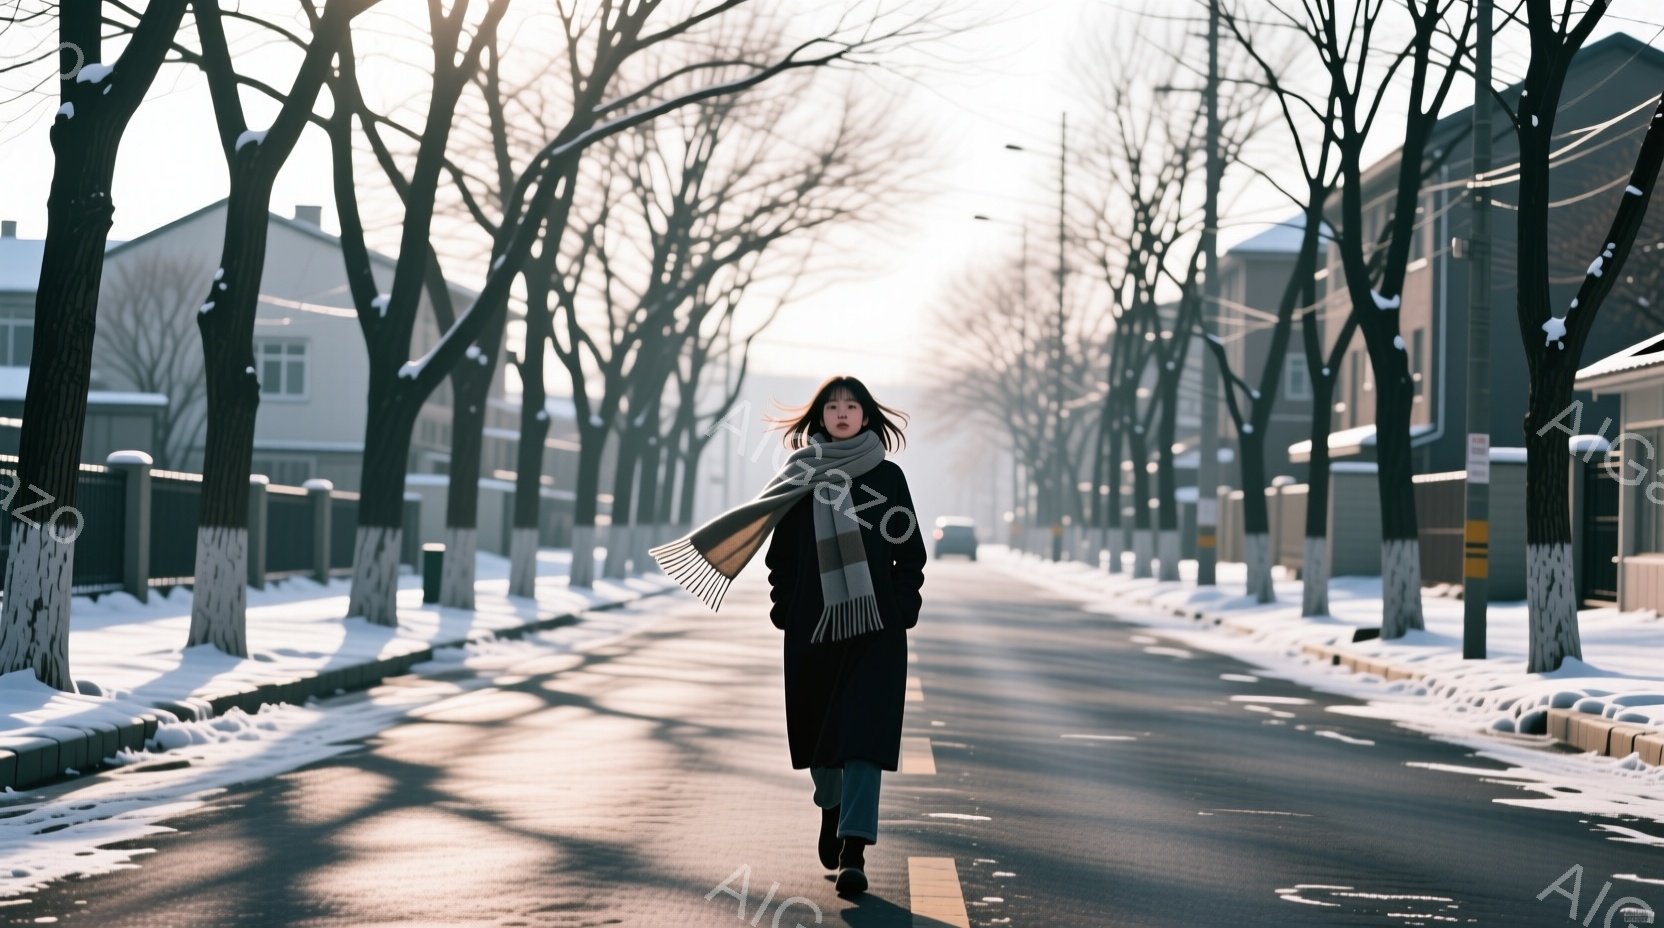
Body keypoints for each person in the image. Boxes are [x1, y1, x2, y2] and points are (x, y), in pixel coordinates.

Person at [648, 375, 926, 898]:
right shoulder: (799, 476)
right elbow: (781, 558)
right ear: (818, 416)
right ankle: (832, 805)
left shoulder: (887, 480)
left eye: (852, 406)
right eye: (832, 406)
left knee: (865, 738)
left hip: (877, 632)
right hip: (813, 629)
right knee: (822, 738)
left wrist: (902, 607)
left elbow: (909, 551)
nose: (842, 414)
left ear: (868, 416)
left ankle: (854, 851)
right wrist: (785, 610)